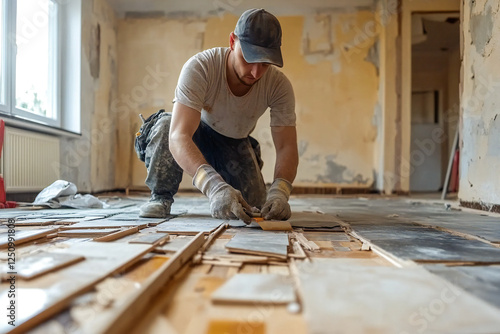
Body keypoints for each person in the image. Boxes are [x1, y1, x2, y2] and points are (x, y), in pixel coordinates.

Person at [135, 8, 298, 223]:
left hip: (234, 142)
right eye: (249, 59)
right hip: (195, 134)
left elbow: (286, 146)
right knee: (166, 126)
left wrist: (280, 191)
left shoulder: (279, 86)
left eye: (265, 63)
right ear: (232, 42)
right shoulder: (201, 67)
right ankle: (160, 197)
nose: (256, 73)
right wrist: (214, 187)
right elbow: (178, 136)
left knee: (256, 205)